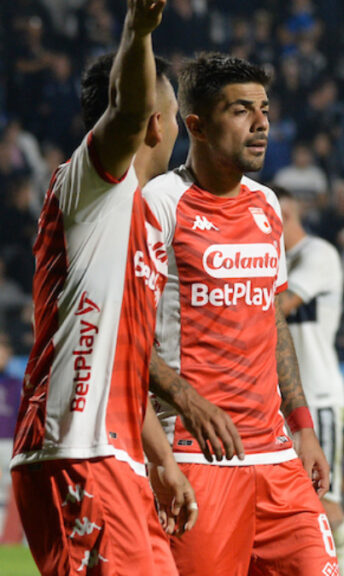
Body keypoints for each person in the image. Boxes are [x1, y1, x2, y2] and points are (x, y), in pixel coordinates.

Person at [9, 2, 198, 574]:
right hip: (77, 448)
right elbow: (129, 107)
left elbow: (126, 361)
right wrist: (138, 30)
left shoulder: (139, 219)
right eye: (174, 115)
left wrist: (161, 460)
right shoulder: (94, 185)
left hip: (120, 454)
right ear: (157, 123)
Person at [143, 53, 337, 576]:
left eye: (265, 109)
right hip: (197, 456)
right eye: (241, 110)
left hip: (276, 456)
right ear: (196, 126)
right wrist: (184, 404)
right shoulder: (160, 203)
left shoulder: (267, 206)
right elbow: (126, 334)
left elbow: (272, 320)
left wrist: (303, 426)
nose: (261, 123)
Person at [276, 186, 344, 576]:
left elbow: (280, 305)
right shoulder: (277, 259)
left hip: (317, 394)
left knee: (325, 498)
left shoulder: (317, 254)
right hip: (283, 402)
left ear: (285, 213)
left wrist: (231, 294)